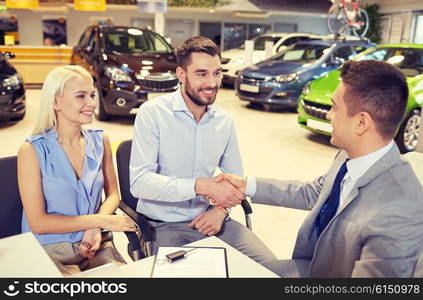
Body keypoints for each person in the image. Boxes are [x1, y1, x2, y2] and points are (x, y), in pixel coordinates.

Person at [218, 60, 423, 277]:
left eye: (334, 107)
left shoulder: (399, 211)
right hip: (312, 265)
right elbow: (315, 192)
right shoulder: (350, 154)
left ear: (361, 123)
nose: (328, 115)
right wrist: (246, 185)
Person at [129, 36, 277, 264]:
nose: (212, 82)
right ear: (181, 74)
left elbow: (235, 180)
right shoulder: (152, 114)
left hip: (212, 219)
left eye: (217, 73)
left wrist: (220, 212)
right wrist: (199, 185)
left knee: (271, 269)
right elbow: (140, 183)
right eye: (201, 74)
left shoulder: (224, 122)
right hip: (164, 225)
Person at [17, 65, 137, 276]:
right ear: (56, 101)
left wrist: (94, 228)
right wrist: (99, 221)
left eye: (91, 95)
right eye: (81, 96)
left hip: (96, 244)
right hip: (51, 250)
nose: (91, 103)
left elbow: (113, 195)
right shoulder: (31, 150)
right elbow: (38, 222)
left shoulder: (100, 140)